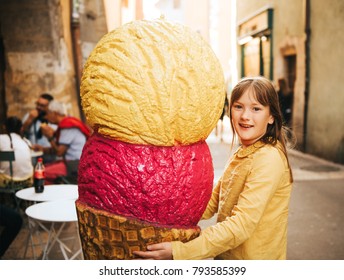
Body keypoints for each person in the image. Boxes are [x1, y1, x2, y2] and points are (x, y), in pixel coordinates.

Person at [134, 76, 294, 260]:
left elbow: (241, 225)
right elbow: (210, 203)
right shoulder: (243, 153)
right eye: (238, 106)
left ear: (271, 116)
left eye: (256, 108)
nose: (245, 116)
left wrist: (180, 252)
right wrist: (166, 215)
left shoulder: (268, 157)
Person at [33, 100, 91, 184]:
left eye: (48, 113)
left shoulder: (67, 125)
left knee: (40, 173)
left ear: (54, 113)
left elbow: (59, 152)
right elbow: (57, 149)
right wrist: (42, 148)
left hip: (74, 164)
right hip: (71, 162)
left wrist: (49, 137)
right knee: (42, 168)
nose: (46, 117)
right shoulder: (66, 123)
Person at [22, 93, 57, 163]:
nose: (38, 107)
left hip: (50, 156)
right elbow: (21, 133)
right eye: (37, 104)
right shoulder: (29, 116)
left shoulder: (54, 119)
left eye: (42, 106)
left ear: (50, 107)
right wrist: (29, 120)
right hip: (33, 157)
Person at [0, 116, 33, 188]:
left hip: (7, 181)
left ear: (4, 127)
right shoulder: (26, 142)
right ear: (21, 129)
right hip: (27, 180)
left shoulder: (1, 139)